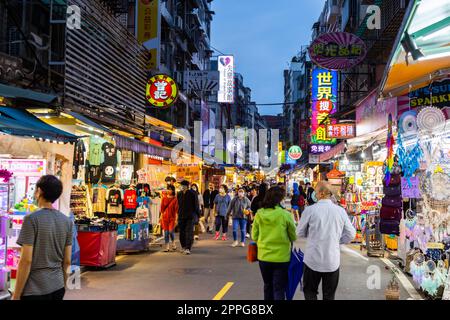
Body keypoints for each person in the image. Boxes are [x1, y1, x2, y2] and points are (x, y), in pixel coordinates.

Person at [12, 175, 73, 300]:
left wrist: (16, 295)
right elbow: (67, 261)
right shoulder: (67, 221)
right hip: (58, 286)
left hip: (34, 289)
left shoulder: (31, 219)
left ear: (39, 191)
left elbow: (26, 261)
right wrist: (64, 286)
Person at [297, 181, 356, 300]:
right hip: (332, 261)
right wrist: (337, 241)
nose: (314, 194)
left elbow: (299, 232)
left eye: (315, 191)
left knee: (309, 292)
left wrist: (311, 234)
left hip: (312, 260)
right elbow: (351, 234)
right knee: (329, 296)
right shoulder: (340, 211)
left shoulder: (310, 210)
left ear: (321, 193)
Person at [252, 186, 297, 300]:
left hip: (264, 256)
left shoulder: (259, 214)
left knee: (268, 286)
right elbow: (293, 236)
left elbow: (254, 236)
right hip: (282, 258)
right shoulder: (285, 215)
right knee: (279, 288)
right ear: (279, 200)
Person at [177, 180, 200, 255]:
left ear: (187, 186)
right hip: (181, 215)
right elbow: (178, 205)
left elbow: (196, 205)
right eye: (181, 186)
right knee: (182, 232)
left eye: (183, 186)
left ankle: (187, 248)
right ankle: (183, 246)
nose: (181, 187)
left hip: (190, 216)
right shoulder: (179, 194)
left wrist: (198, 215)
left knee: (189, 232)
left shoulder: (193, 193)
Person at [160, 185, 178, 252]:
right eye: (168, 189)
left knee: (171, 231)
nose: (169, 191)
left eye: (170, 189)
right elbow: (162, 209)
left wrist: (176, 219)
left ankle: (173, 242)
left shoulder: (175, 199)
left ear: (173, 190)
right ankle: (167, 246)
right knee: (166, 232)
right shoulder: (164, 198)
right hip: (164, 218)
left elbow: (176, 210)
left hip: (172, 218)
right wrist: (161, 217)